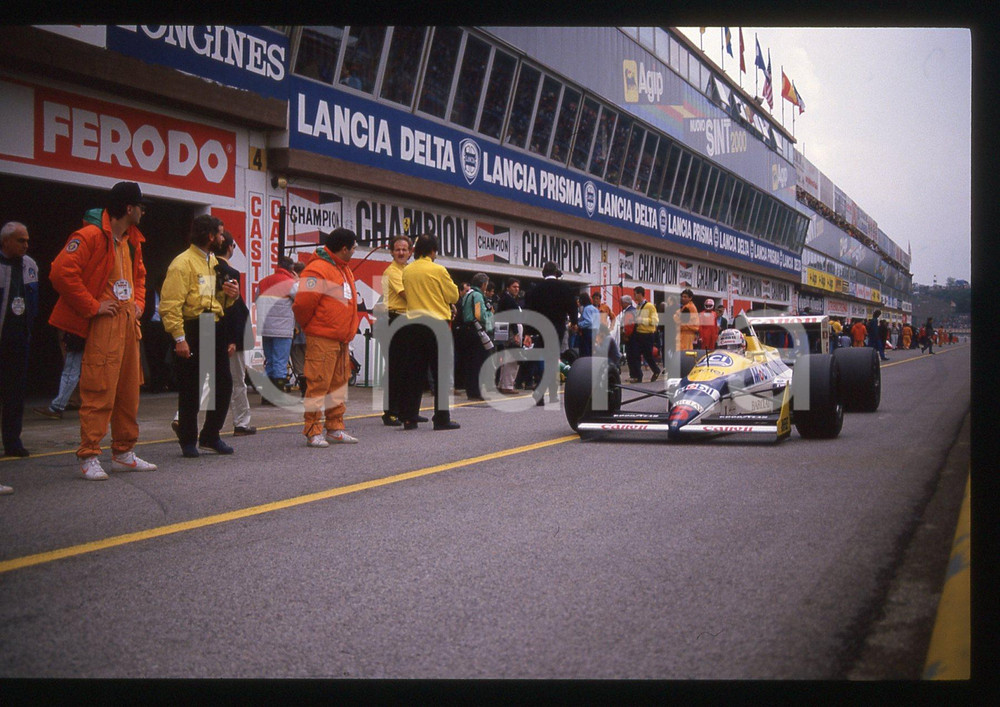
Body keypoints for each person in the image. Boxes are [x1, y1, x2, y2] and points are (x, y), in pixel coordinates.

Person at [49, 182, 156, 478]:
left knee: (127, 392)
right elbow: (61, 272)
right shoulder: (91, 236)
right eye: (141, 206)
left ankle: (123, 451)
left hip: (127, 324)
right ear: (129, 208)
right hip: (104, 324)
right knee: (99, 390)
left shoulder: (132, 242)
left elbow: (141, 278)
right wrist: (92, 306)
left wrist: (138, 304)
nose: (143, 211)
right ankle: (89, 455)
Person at [160, 214, 240, 458]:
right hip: (193, 327)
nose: (222, 237)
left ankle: (210, 435)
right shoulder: (182, 263)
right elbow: (170, 304)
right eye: (220, 233)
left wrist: (231, 294)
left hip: (212, 325)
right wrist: (179, 337)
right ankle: (188, 439)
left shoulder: (213, 262)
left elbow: (217, 301)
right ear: (209, 236)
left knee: (223, 384)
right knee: (191, 388)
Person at [292, 228, 362, 447]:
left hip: (341, 339)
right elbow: (303, 304)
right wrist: (310, 326)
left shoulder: (343, 269)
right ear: (344, 249)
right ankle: (313, 430)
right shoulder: (317, 270)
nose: (354, 250)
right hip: (323, 337)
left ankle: (335, 427)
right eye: (353, 247)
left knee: (338, 384)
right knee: (319, 384)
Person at [396, 233, 460, 430]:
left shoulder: (407, 271)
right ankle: (441, 418)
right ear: (433, 250)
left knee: (414, 372)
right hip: (437, 324)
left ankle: (409, 417)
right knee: (440, 372)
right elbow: (453, 295)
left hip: (413, 324)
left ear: (415, 251)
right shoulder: (438, 270)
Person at [0, 222, 38, 462]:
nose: (25, 245)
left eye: (26, 241)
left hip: (19, 339)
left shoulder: (30, 265)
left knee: (15, 392)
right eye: (20, 240)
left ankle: (13, 442)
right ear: (5, 242)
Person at [214, 231, 256, 436]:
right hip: (229, 333)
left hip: (207, 329)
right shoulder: (229, 272)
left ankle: (182, 418)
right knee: (236, 380)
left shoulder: (203, 269)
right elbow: (229, 306)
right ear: (230, 246)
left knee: (205, 378)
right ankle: (241, 422)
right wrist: (231, 338)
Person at [524, 261, 578, 406]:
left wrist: (527, 332)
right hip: (557, 327)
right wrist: (574, 323)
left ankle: (539, 384)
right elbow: (572, 307)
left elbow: (528, 312)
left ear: (543, 273)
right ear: (556, 272)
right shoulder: (565, 288)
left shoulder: (534, 290)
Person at [379, 234, 414, 425]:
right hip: (395, 319)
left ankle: (405, 411)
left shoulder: (408, 270)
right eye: (397, 249)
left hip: (408, 319)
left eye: (404, 249)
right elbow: (406, 294)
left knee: (408, 368)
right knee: (396, 368)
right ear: (392, 252)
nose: (401, 252)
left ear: (410, 252)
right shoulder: (392, 272)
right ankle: (390, 412)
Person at [255, 255, 299, 404]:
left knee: (270, 362)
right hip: (282, 329)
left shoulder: (263, 282)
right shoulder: (291, 283)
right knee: (280, 363)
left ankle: (266, 397)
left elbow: (256, 299)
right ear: (291, 269)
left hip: (266, 328)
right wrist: (298, 281)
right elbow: (301, 299)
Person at [459, 272, 493, 400]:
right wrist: (489, 318)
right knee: (479, 362)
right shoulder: (478, 295)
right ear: (483, 284)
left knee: (470, 363)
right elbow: (479, 314)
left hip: (467, 330)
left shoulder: (468, 295)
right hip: (476, 331)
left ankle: (471, 391)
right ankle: (477, 392)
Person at [495, 277, 523, 394]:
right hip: (510, 329)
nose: (516, 289)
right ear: (508, 287)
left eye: (518, 287)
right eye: (514, 287)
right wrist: (516, 333)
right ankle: (508, 385)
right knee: (512, 358)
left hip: (501, 328)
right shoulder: (509, 300)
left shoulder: (504, 299)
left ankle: (503, 383)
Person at [632, 286, 661, 383]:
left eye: (635, 294)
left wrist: (641, 320)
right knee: (635, 354)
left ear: (640, 294)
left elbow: (655, 321)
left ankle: (656, 370)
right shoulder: (638, 306)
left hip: (647, 335)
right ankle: (638, 376)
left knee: (648, 356)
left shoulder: (649, 306)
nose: (634, 296)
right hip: (639, 334)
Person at [619, 294, 640, 382]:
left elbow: (629, 326)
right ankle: (635, 375)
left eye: (622, 303)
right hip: (636, 337)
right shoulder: (634, 310)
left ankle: (635, 376)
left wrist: (626, 335)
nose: (621, 305)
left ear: (626, 303)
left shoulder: (629, 312)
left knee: (631, 357)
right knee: (634, 357)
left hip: (631, 338)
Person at [577, 291, 598, 357]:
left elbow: (588, 321)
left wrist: (579, 324)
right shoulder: (595, 309)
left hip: (587, 333)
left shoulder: (586, 309)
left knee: (586, 352)